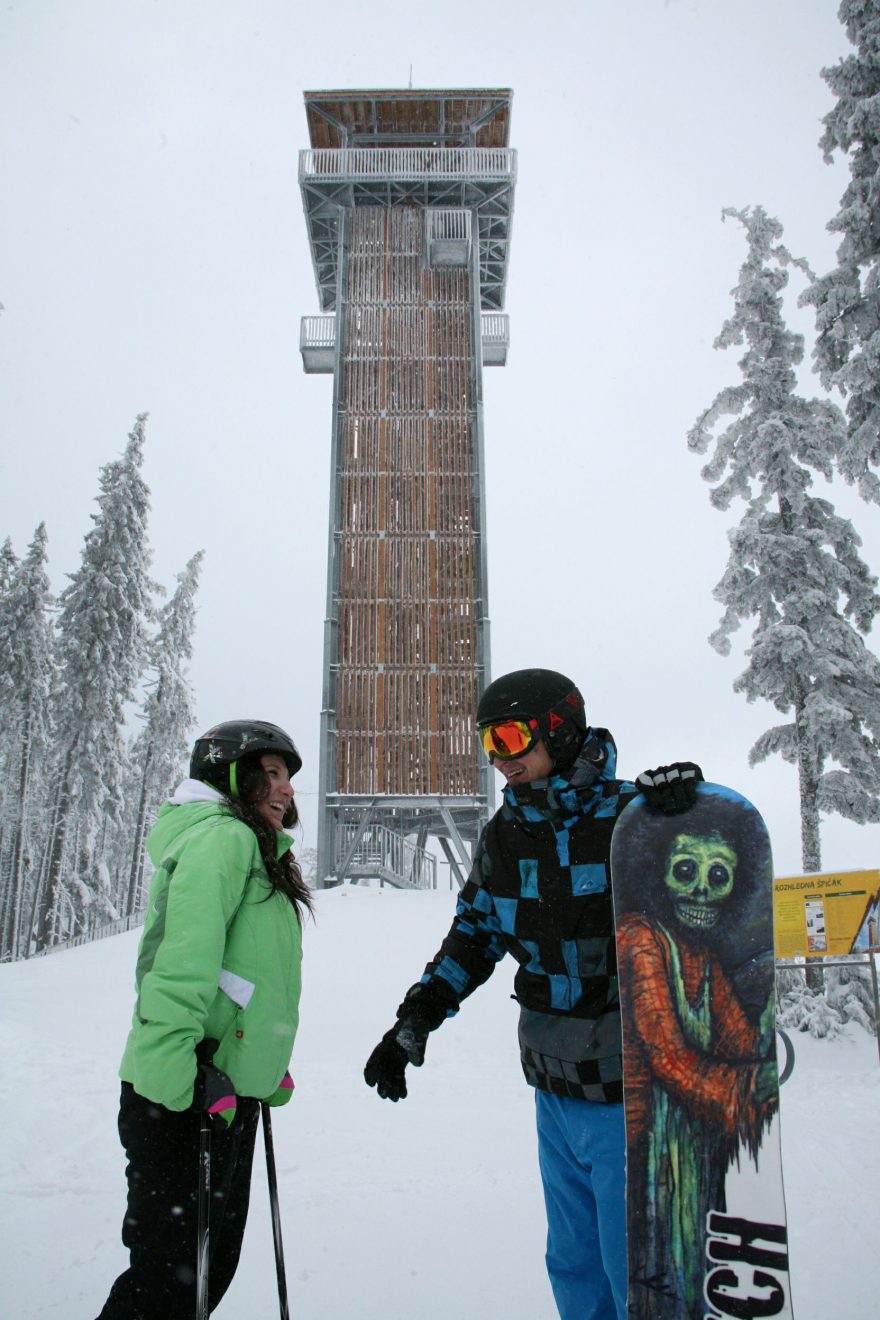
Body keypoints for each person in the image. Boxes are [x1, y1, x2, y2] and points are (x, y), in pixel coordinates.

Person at [364, 668, 702, 1320]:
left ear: (561, 731)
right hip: (555, 1089)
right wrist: (414, 1023)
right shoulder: (505, 835)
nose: (500, 758)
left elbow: (703, 901)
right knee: (574, 1268)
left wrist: (687, 814)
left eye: (513, 737)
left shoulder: (631, 818)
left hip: (632, 1093)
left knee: (639, 1272)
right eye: (488, 742)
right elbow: (473, 938)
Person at [96, 720, 312, 1320]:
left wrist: (259, 1063)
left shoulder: (251, 846)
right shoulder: (223, 840)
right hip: (183, 1098)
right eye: (270, 773)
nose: (286, 788)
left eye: (288, 777)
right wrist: (180, 1073)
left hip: (220, 1097)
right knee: (168, 1287)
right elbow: (181, 962)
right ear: (231, 777)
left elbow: (245, 976)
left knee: (203, 1274)